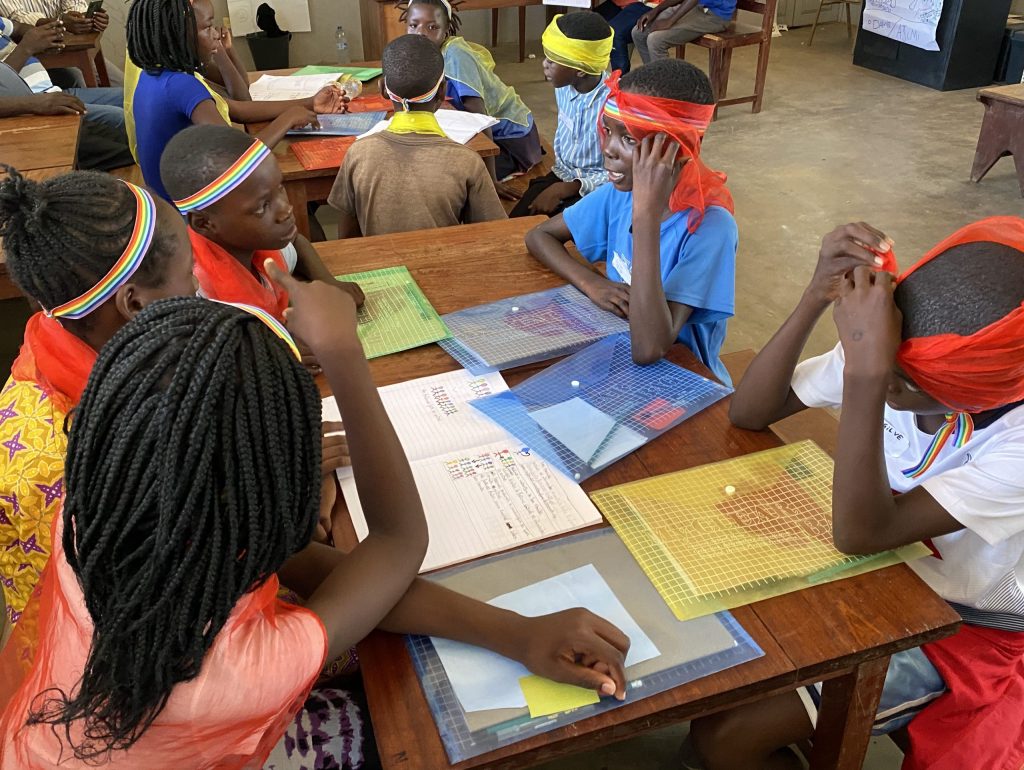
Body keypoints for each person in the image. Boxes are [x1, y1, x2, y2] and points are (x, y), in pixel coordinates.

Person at [0, 280, 632, 769]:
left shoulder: (99, 517)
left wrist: (517, 632)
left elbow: (328, 569)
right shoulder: (240, 671)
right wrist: (343, 355)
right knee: (402, 726)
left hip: (50, 738)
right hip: (203, 739)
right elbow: (396, 542)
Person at [688, 219, 1024, 770]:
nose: (881, 380)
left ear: (970, 397)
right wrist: (815, 296)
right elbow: (748, 412)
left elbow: (861, 534)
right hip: (873, 572)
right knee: (713, 676)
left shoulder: (1005, 435)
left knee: (727, 738)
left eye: (900, 383)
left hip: (957, 626)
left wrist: (867, 372)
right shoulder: (898, 348)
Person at [0, 167, 197, 632]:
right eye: (189, 273)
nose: (197, 287)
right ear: (135, 304)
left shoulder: (70, 338)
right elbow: (147, 625)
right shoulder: (65, 465)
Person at [525, 59, 736, 383]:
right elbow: (539, 236)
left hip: (683, 376)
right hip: (615, 352)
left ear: (678, 149)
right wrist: (592, 284)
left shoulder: (710, 228)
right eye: (608, 131)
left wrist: (645, 216)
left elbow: (650, 348)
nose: (607, 149)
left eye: (630, 139)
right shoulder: (619, 194)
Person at [125, 0, 345, 201]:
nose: (215, 34)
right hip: (190, 214)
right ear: (178, 35)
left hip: (170, 206)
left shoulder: (152, 76)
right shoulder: (182, 85)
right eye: (207, 28)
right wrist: (287, 119)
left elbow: (236, 108)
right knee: (280, 190)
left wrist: (309, 103)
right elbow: (239, 158)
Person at [160, 123, 360, 320]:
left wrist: (328, 281)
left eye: (280, 188)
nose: (286, 210)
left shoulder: (259, 245)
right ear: (204, 223)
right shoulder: (202, 299)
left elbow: (297, 243)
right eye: (262, 207)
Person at [328, 34, 505, 238]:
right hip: (444, 259)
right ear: (442, 92)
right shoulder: (467, 161)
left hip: (379, 260)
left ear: (383, 89)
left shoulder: (358, 153)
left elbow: (346, 239)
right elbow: (493, 235)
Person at [402, 0, 542, 197]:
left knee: (450, 181)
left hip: (511, 141)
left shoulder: (456, 55)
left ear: (446, 30)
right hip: (474, 133)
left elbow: (480, 119)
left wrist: (490, 179)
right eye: (414, 25)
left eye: (432, 27)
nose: (421, 33)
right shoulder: (422, 53)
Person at [510, 12, 613, 218]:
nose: (544, 64)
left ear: (580, 70)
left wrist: (570, 188)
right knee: (517, 222)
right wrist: (560, 185)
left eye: (552, 62)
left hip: (600, 187)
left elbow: (627, 173)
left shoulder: (613, 106)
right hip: (563, 173)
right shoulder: (564, 86)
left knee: (558, 230)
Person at [0, 16, 124, 128]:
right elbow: (4, 86)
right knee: (121, 117)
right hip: (31, 104)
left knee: (129, 97)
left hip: (52, 91)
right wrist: (26, 48)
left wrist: (45, 37)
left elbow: (18, 27)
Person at [0, 0, 108, 88]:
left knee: (116, 82)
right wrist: (60, 22)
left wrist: (85, 19)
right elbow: (17, 17)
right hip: (37, 55)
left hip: (73, 44)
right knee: (76, 77)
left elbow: (76, 5)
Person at [632, 0, 735, 65]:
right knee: (638, 32)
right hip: (696, 7)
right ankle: (654, 79)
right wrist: (656, 10)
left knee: (655, 40)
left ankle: (666, 90)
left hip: (716, 16)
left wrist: (670, 21)